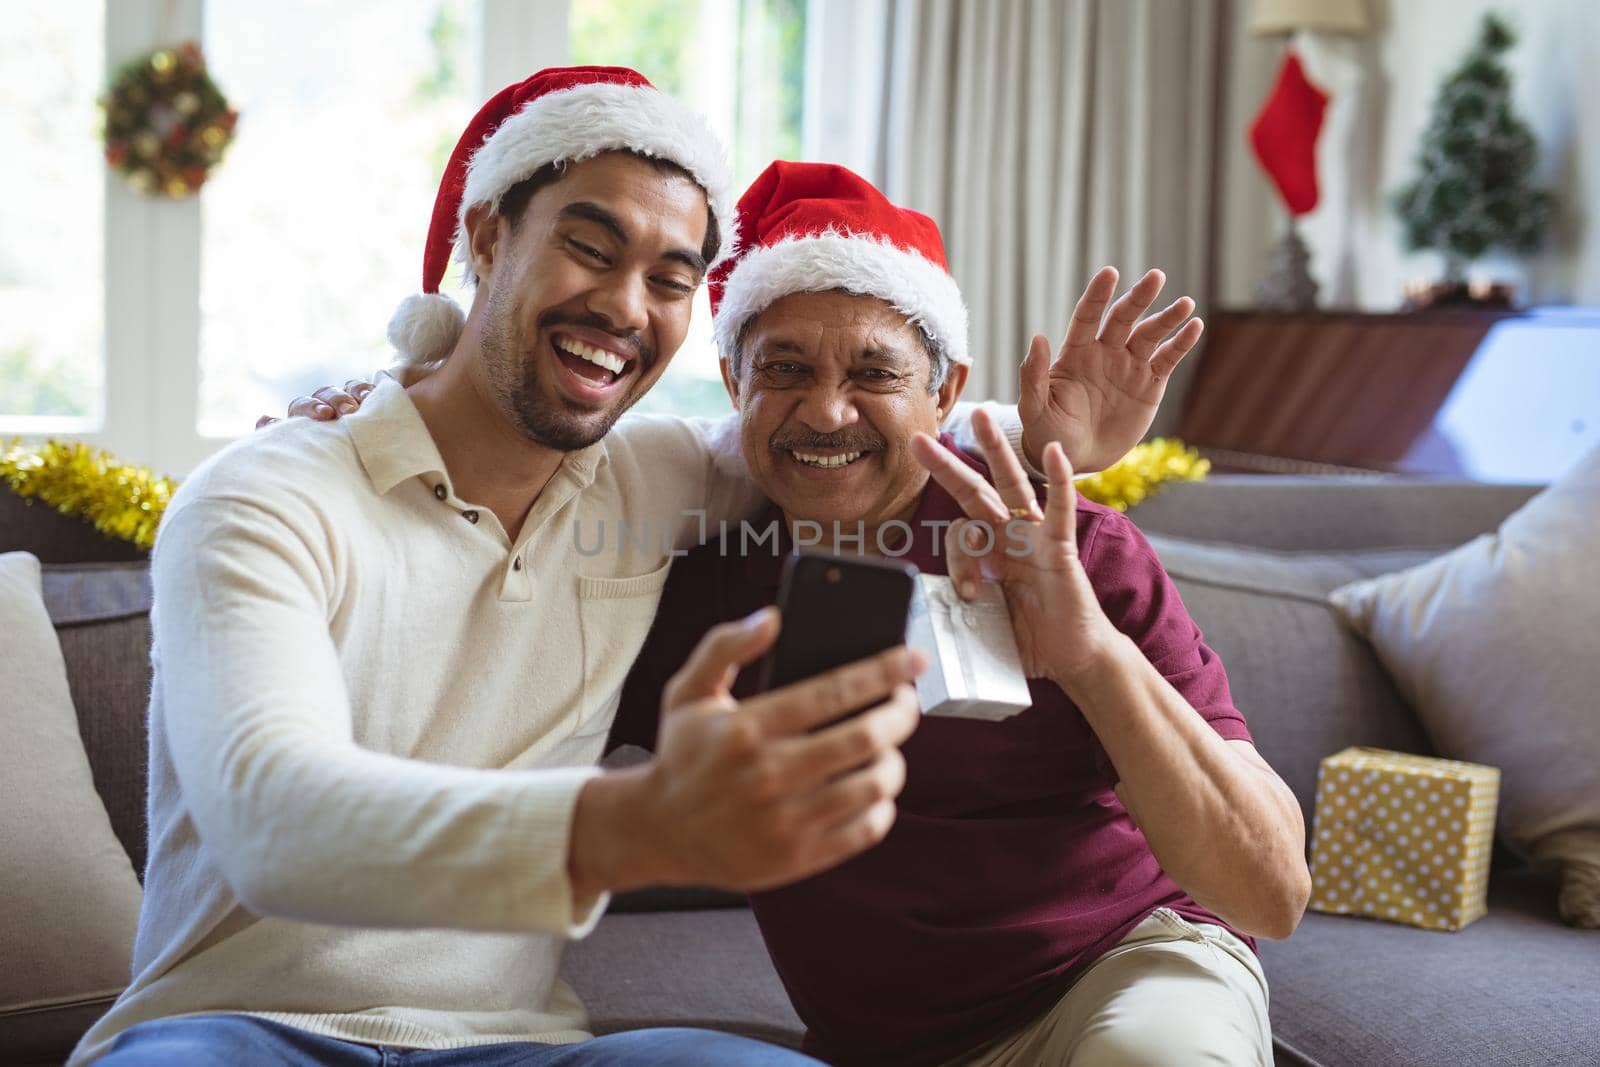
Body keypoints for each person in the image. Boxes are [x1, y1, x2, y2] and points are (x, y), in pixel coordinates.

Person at [75, 70, 1182, 1066]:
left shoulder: (653, 479)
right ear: (487, 238)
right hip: (229, 1031)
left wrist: (1053, 449)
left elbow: (841, 432)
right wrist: (638, 824)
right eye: (590, 247)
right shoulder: (264, 496)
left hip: (516, 1045)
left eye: (669, 277)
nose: (623, 306)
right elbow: (275, 824)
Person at [600, 162, 1311, 1066]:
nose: (825, 410)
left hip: (1123, 971)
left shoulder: (1070, 550)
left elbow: (1270, 893)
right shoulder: (702, 584)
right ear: (734, 384)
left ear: (945, 392)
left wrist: (1090, 652)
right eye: (784, 367)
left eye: (874, 372)